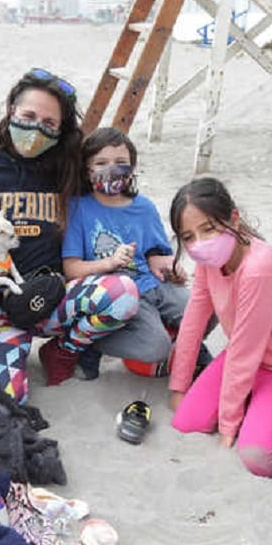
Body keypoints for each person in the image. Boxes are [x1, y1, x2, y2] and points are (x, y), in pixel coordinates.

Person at [0, 68, 140, 400]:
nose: (35, 128)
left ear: (61, 132)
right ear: (11, 112)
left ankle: (63, 350)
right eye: (28, 115)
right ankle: (9, 353)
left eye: (48, 124)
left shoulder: (68, 173)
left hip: (56, 297)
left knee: (124, 294)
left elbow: (112, 201)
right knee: (3, 401)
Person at [168, 177, 272, 477]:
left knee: (259, 459)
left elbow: (246, 352)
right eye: (188, 237)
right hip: (244, 359)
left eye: (208, 229)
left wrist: (228, 423)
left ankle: (262, 411)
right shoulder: (209, 259)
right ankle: (252, 406)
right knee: (186, 421)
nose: (199, 243)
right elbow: (193, 322)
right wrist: (179, 385)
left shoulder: (259, 269)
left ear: (233, 217)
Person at [61, 127, 192, 380]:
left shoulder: (144, 207)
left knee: (202, 308)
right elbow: (71, 268)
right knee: (156, 347)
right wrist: (108, 262)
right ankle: (91, 344)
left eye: (121, 162)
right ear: (87, 171)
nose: (111, 169)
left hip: (153, 284)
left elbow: (156, 251)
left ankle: (187, 348)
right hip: (117, 296)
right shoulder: (79, 208)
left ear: (132, 168)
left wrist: (167, 264)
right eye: (101, 163)